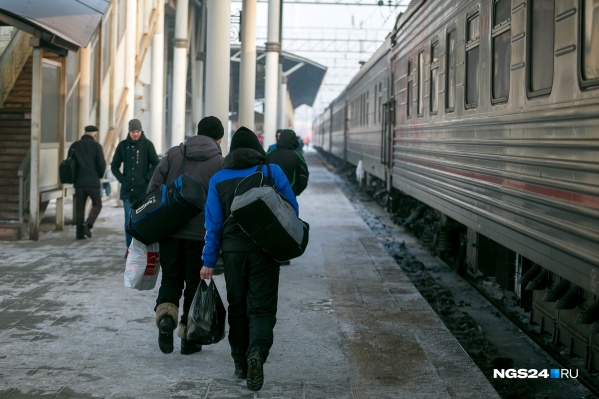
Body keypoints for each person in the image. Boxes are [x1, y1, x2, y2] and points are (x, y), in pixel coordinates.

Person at [200, 127, 299, 392]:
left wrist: (209, 261)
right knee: (262, 308)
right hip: (264, 251)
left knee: (238, 308)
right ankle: (256, 352)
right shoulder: (270, 172)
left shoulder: (219, 178)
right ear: (256, 148)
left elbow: (213, 225)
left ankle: (240, 364)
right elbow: (291, 209)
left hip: (232, 254)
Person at [149, 116, 225, 356]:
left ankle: (165, 319)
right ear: (219, 138)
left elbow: (153, 190)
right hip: (200, 236)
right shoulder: (220, 163)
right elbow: (222, 202)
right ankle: (189, 338)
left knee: (171, 279)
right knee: (194, 283)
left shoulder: (173, 154)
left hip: (170, 232)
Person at [110, 119, 159, 253]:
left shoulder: (148, 145)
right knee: (128, 221)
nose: (135, 134)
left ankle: (142, 248)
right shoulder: (123, 146)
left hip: (143, 192)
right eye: (133, 132)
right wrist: (122, 179)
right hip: (127, 192)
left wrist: (146, 179)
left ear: (141, 131)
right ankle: (130, 249)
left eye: (137, 131)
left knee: (143, 221)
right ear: (129, 132)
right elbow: (114, 166)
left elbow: (156, 163)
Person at [68, 125, 106, 240]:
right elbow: (101, 164)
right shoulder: (96, 146)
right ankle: (88, 224)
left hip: (79, 183)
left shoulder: (75, 145)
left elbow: (69, 163)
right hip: (93, 182)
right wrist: (98, 176)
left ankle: (79, 234)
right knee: (97, 204)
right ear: (95, 135)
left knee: (80, 208)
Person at [265, 128, 309, 197]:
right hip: (289, 196)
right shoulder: (298, 157)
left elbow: (261, 172)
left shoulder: (268, 154)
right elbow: (303, 177)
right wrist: (294, 191)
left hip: (269, 196)